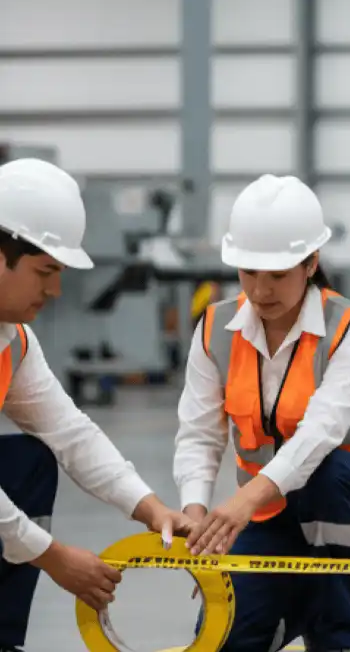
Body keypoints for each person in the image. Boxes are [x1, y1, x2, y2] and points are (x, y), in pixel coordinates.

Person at [174, 174, 350, 652]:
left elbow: (319, 434)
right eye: (248, 272)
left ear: (311, 263)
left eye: (278, 274)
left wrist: (242, 503)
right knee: (224, 634)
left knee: (329, 474)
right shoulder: (215, 329)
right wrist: (197, 525)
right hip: (271, 514)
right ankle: (298, 604)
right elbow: (199, 435)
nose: (261, 290)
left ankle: (341, 640)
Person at [0, 158, 193, 651]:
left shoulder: (13, 341)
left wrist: (149, 507)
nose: (55, 290)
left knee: (28, 462)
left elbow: (71, 433)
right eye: (45, 271)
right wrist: (52, 556)